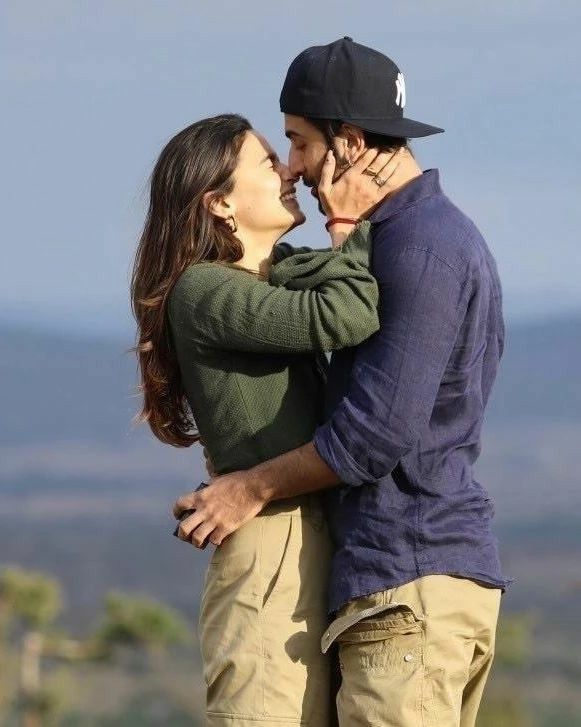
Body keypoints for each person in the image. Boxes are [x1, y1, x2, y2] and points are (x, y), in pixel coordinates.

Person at [174, 39, 510, 727]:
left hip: (408, 578)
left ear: (350, 142)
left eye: (297, 142)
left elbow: (372, 436)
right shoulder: (422, 238)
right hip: (413, 581)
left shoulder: (414, 247)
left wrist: (248, 484)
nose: (292, 166)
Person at [132, 112, 399, 726]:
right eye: (266, 163)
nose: (288, 169)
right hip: (270, 548)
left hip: (310, 539)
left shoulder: (274, 272)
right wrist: (345, 222)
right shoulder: (203, 290)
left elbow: (340, 285)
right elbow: (346, 315)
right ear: (220, 203)